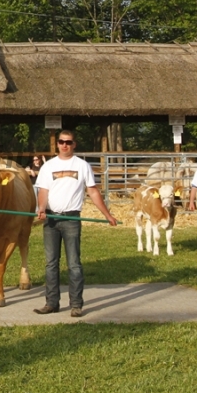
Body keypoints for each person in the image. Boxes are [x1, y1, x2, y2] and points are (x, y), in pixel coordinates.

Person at [34, 130, 117, 317]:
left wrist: (107, 215)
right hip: (51, 219)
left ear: (74, 144)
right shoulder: (48, 166)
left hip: (72, 218)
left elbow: (93, 191)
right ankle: (51, 303)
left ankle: (76, 304)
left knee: (74, 264)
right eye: (62, 142)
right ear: (57, 144)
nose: (65, 145)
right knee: (51, 263)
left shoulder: (82, 166)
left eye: (69, 142)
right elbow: (43, 191)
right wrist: (41, 208)